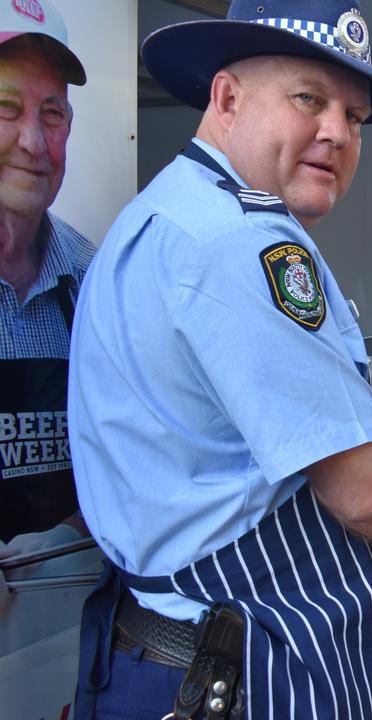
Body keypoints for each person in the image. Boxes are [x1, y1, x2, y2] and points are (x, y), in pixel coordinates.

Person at [67, 2, 372, 717]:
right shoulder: (238, 240)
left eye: (356, 116)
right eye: (309, 98)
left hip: (173, 651)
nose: (337, 132)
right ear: (226, 97)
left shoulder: (166, 215)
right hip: (241, 675)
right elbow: (362, 488)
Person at [0, 0, 93, 608]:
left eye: (52, 114)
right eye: (6, 109)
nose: (33, 142)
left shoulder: (94, 279)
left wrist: (72, 534)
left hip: (69, 617)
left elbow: (138, 465)